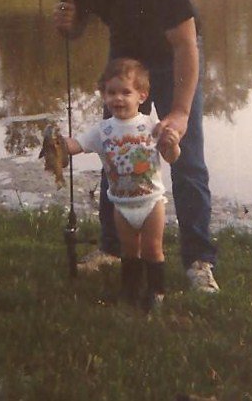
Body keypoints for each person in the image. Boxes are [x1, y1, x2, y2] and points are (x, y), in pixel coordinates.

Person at [53, 0, 219, 293]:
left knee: (186, 158)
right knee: (116, 150)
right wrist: (67, 24)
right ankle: (112, 246)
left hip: (172, 56)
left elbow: (186, 44)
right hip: (125, 59)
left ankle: (199, 261)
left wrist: (178, 112)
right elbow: (75, 31)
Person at [65, 58, 180, 309]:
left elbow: (171, 157)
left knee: (152, 248)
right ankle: (129, 290)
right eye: (111, 92)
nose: (118, 98)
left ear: (142, 95)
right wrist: (57, 142)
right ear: (103, 96)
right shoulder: (102, 130)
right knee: (129, 251)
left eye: (125, 92)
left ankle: (156, 292)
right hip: (121, 205)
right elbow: (75, 146)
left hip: (151, 202)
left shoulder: (152, 125)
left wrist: (172, 144)